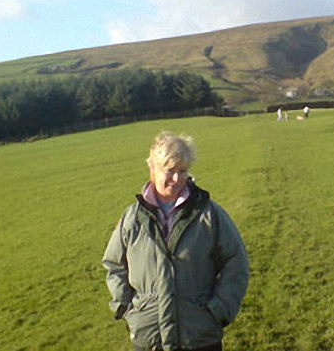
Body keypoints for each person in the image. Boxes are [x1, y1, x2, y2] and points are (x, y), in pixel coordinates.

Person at [102, 131, 249, 351]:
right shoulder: (132, 219)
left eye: (183, 171)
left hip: (199, 337)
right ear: (152, 167)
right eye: (169, 170)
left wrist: (220, 309)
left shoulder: (208, 214)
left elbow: (236, 261)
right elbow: (114, 265)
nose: (177, 179)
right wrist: (127, 309)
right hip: (150, 339)